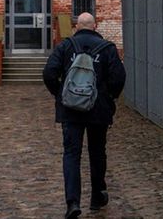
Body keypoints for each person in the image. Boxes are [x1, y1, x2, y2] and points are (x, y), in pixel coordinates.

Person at [42, 12, 127, 219]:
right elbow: (118, 78)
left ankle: (73, 202)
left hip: (71, 110)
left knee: (71, 154)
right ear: (95, 26)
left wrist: (61, 94)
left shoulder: (65, 46)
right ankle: (97, 196)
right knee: (97, 152)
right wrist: (109, 98)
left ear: (76, 27)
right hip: (98, 110)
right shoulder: (107, 49)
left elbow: (49, 73)